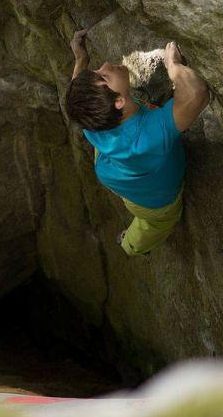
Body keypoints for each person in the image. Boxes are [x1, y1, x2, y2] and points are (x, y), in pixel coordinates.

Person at [63, 29, 210, 256]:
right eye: (104, 76)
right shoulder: (148, 137)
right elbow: (197, 95)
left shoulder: (92, 117)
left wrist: (81, 59)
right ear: (119, 102)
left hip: (112, 166)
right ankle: (131, 245)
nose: (105, 66)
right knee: (155, 226)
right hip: (151, 203)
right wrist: (173, 67)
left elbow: (77, 96)